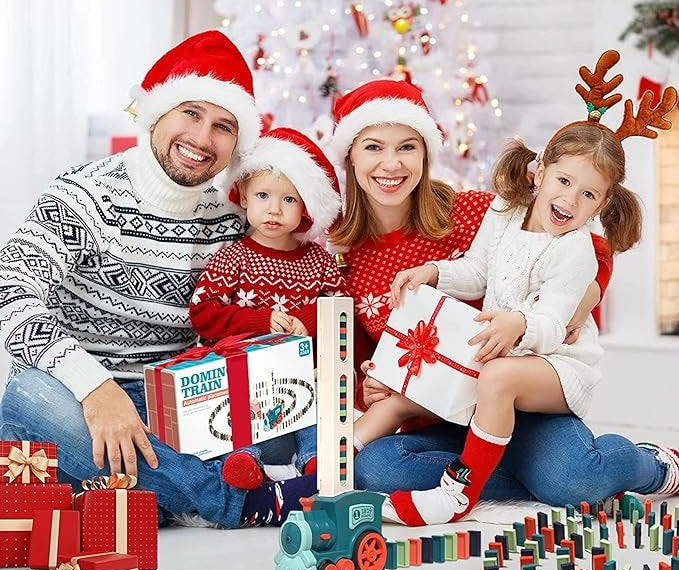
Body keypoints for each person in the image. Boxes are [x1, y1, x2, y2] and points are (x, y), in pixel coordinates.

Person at [327, 75, 679, 524]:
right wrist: (373, 383)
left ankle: (640, 465)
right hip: (449, 409)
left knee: (574, 480)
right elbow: (469, 276)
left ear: (426, 153)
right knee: (376, 468)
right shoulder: (339, 255)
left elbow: (591, 261)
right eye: (373, 146)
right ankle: (505, 468)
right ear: (350, 155)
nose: (390, 164)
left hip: (528, 383)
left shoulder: (473, 210)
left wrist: (570, 304)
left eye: (407, 147)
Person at [0, 30, 317, 529]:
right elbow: (11, 292)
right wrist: (96, 388)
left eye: (223, 126)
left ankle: (158, 491)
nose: (202, 138)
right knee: (29, 398)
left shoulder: (233, 220)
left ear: (237, 144)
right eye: (190, 113)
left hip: (183, 398)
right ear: (157, 113)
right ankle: (234, 500)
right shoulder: (83, 195)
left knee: (283, 407)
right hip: (87, 397)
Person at [189, 126, 345, 489]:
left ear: (305, 207)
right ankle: (245, 458)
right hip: (246, 371)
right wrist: (260, 321)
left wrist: (308, 320)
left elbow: (340, 306)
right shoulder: (233, 257)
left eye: (289, 200)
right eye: (263, 195)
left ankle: (313, 459)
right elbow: (203, 312)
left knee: (314, 396)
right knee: (239, 399)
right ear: (243, 196)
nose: (274, 209)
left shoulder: (317, 260)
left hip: (301, 373)